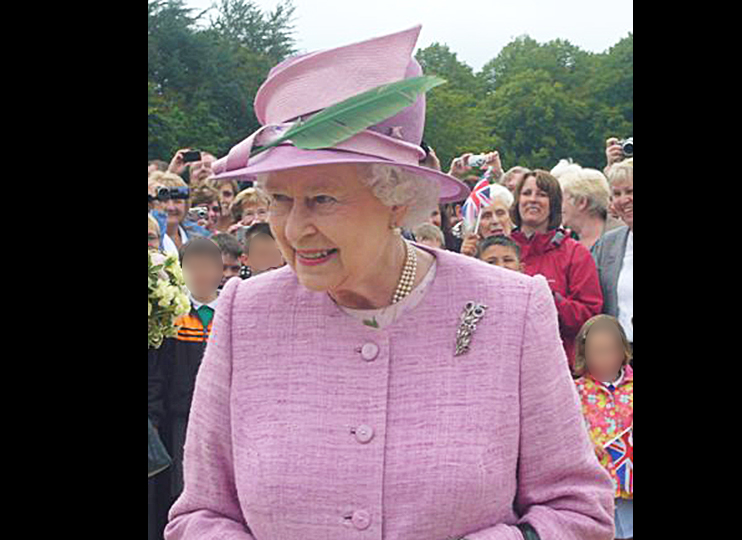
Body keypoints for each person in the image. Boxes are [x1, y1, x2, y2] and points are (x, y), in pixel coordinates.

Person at [165, 25, 613, 540]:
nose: (292, 229)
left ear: (398, 198)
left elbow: (577, 511)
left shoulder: (510, 308)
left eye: (322, 199)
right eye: (280, 199)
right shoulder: (245, 312)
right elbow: (200, 515)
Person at [149, 237, 223, 540]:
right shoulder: (173, 315)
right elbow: (158, 373)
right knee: (178, 489)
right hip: (178, 418)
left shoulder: (230, 313)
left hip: (220, 420)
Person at [509, 169, 603, 368]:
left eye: (542, 195)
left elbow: (590, 317)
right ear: (517, 201)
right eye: (526, 193)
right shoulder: (501, 250)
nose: (533, 200)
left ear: (554, 204)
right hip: (509, 363)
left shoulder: (575, 253)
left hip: (559, 365)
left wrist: (549, 299)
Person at [573, 315, 633, 540]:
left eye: (610, 350)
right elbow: (566, 433)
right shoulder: (574, 391)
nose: (605, 358)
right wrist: (585, 443)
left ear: (622, 352)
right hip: (595, 489)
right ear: (584, 355)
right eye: (597, 351)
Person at [592, 159, 633, 359]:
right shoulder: (608, 243)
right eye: (617, 194)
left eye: (630, 191)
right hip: (621, 356)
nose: (624, 200)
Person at [558, 167, 622, 252]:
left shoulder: (622, 238)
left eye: (560, 200)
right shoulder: (562, 240)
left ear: (582, 202)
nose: (556, 206)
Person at [148, 171, 212, 258]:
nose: (171, 207)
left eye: (177, 201)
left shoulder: (199, 234)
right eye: (164, 201)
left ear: (186, 204)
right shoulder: (152, 237)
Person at [460, 183, 515, 257]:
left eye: (500, 213)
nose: (495, 221)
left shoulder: (523, 250)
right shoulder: (470, 255)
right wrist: (466, 258)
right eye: (486, 216)